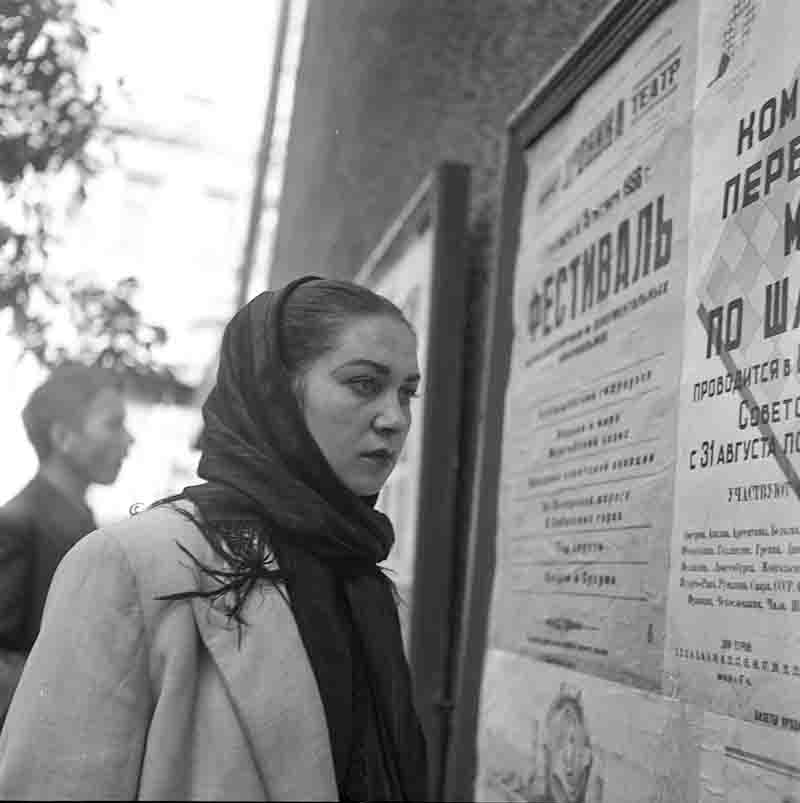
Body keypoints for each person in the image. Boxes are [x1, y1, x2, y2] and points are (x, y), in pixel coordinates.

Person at [0, 276, 428, 801]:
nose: (394, 419)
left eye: (407, 392)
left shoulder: (365, 580)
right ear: (278, 393)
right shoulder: (133, 562)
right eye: (364, 384)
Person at [0, 364, 133, 722]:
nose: (128, 440)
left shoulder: (82, 522)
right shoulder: (15, 525)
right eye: (113, 424)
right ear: (63, 437)